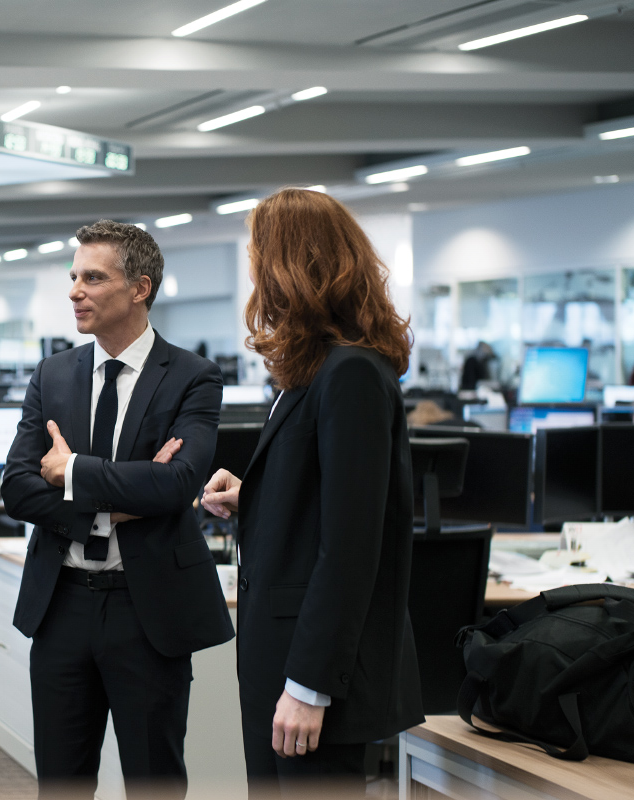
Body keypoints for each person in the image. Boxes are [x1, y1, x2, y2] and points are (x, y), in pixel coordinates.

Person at [1, 219, 234, 798]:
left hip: (146, 609)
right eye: (74, 276)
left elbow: (178, 486)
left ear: (139, 288)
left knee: (154, 779)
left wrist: (74, 472)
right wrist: (113, 503)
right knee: (60, 779)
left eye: (93, 277)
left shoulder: (191, 377)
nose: (75, 290)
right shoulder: (53, 374)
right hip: (62, 606)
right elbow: (17, 486)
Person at [202, 188, 423, 794]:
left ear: (290, 266)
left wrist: (308, 685)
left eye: (257, 254)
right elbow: (326, 500)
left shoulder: (350, 372)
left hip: (314, 673)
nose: (252, 270)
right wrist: (255, 495)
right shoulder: (314, 368)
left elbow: (352, 544)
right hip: (282, 656)